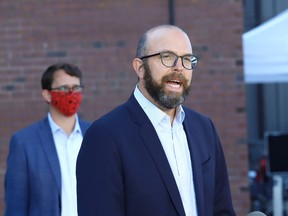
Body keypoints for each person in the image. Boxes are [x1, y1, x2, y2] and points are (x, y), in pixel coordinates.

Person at [76, 25, 235, 216]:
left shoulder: (204, 128)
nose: (179, 67)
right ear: (140, 68)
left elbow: (222, 210)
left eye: (187, 59)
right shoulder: (105, 136)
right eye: (167, 57)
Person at [4, 63, 91, 216]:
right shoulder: (24, 143)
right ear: (47, 94)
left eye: (76, 88)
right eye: (64, 88)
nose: (71, 93)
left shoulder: (94, 135)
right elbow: (16, 206)